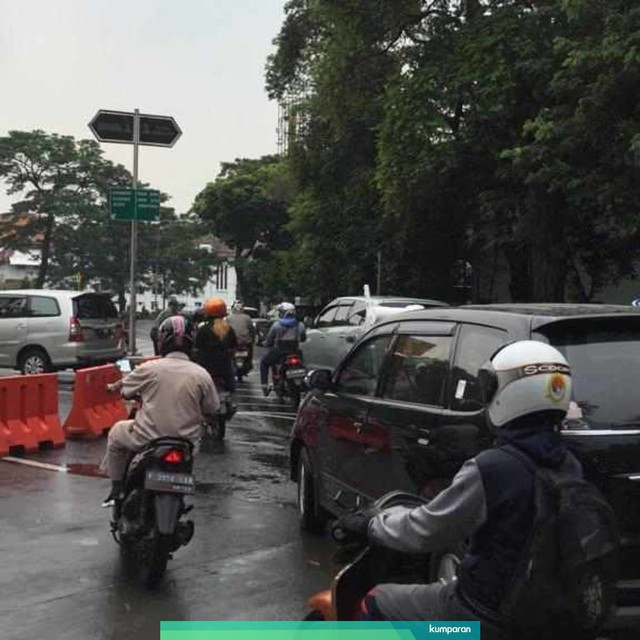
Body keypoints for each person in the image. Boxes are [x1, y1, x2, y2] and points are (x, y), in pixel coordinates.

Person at [339, 341, 583, 634]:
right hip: (542, 610)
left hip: (482, 613)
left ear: (508, 392)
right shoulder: (568, 463)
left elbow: (425, 530)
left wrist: (371, 525)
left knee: (377, 600)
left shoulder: (493, 467)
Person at [101, 314, 219, 507]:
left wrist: (124, 392)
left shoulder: (149, 369)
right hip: (186, 446)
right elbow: (213, 409)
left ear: (162, 341)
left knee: (116, 433)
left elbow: (126, 391)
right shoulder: (201, 374)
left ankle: (116, 489)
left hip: (148, 440)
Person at [192, 296, 238, 399]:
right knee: (232, 388)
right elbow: (234, 346)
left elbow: (196, 348)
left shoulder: (204, 329)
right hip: (225, 368)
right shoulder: (228, 329)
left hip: (206, 369)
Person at [260, 301, 306, 396]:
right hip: (295, 351)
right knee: (304, 364)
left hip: (280, 351)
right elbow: (303, 338)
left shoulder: (277, 325)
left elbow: (269, 340)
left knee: (264, 363)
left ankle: (264, 386)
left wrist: (266, 343)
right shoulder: (300, 325)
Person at [227, 300, 256, 373]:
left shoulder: (229, 318)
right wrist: (252, 339)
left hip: (233, 343)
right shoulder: (247, 318)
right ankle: (249, 363)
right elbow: (252, 330)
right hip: (245, 343)